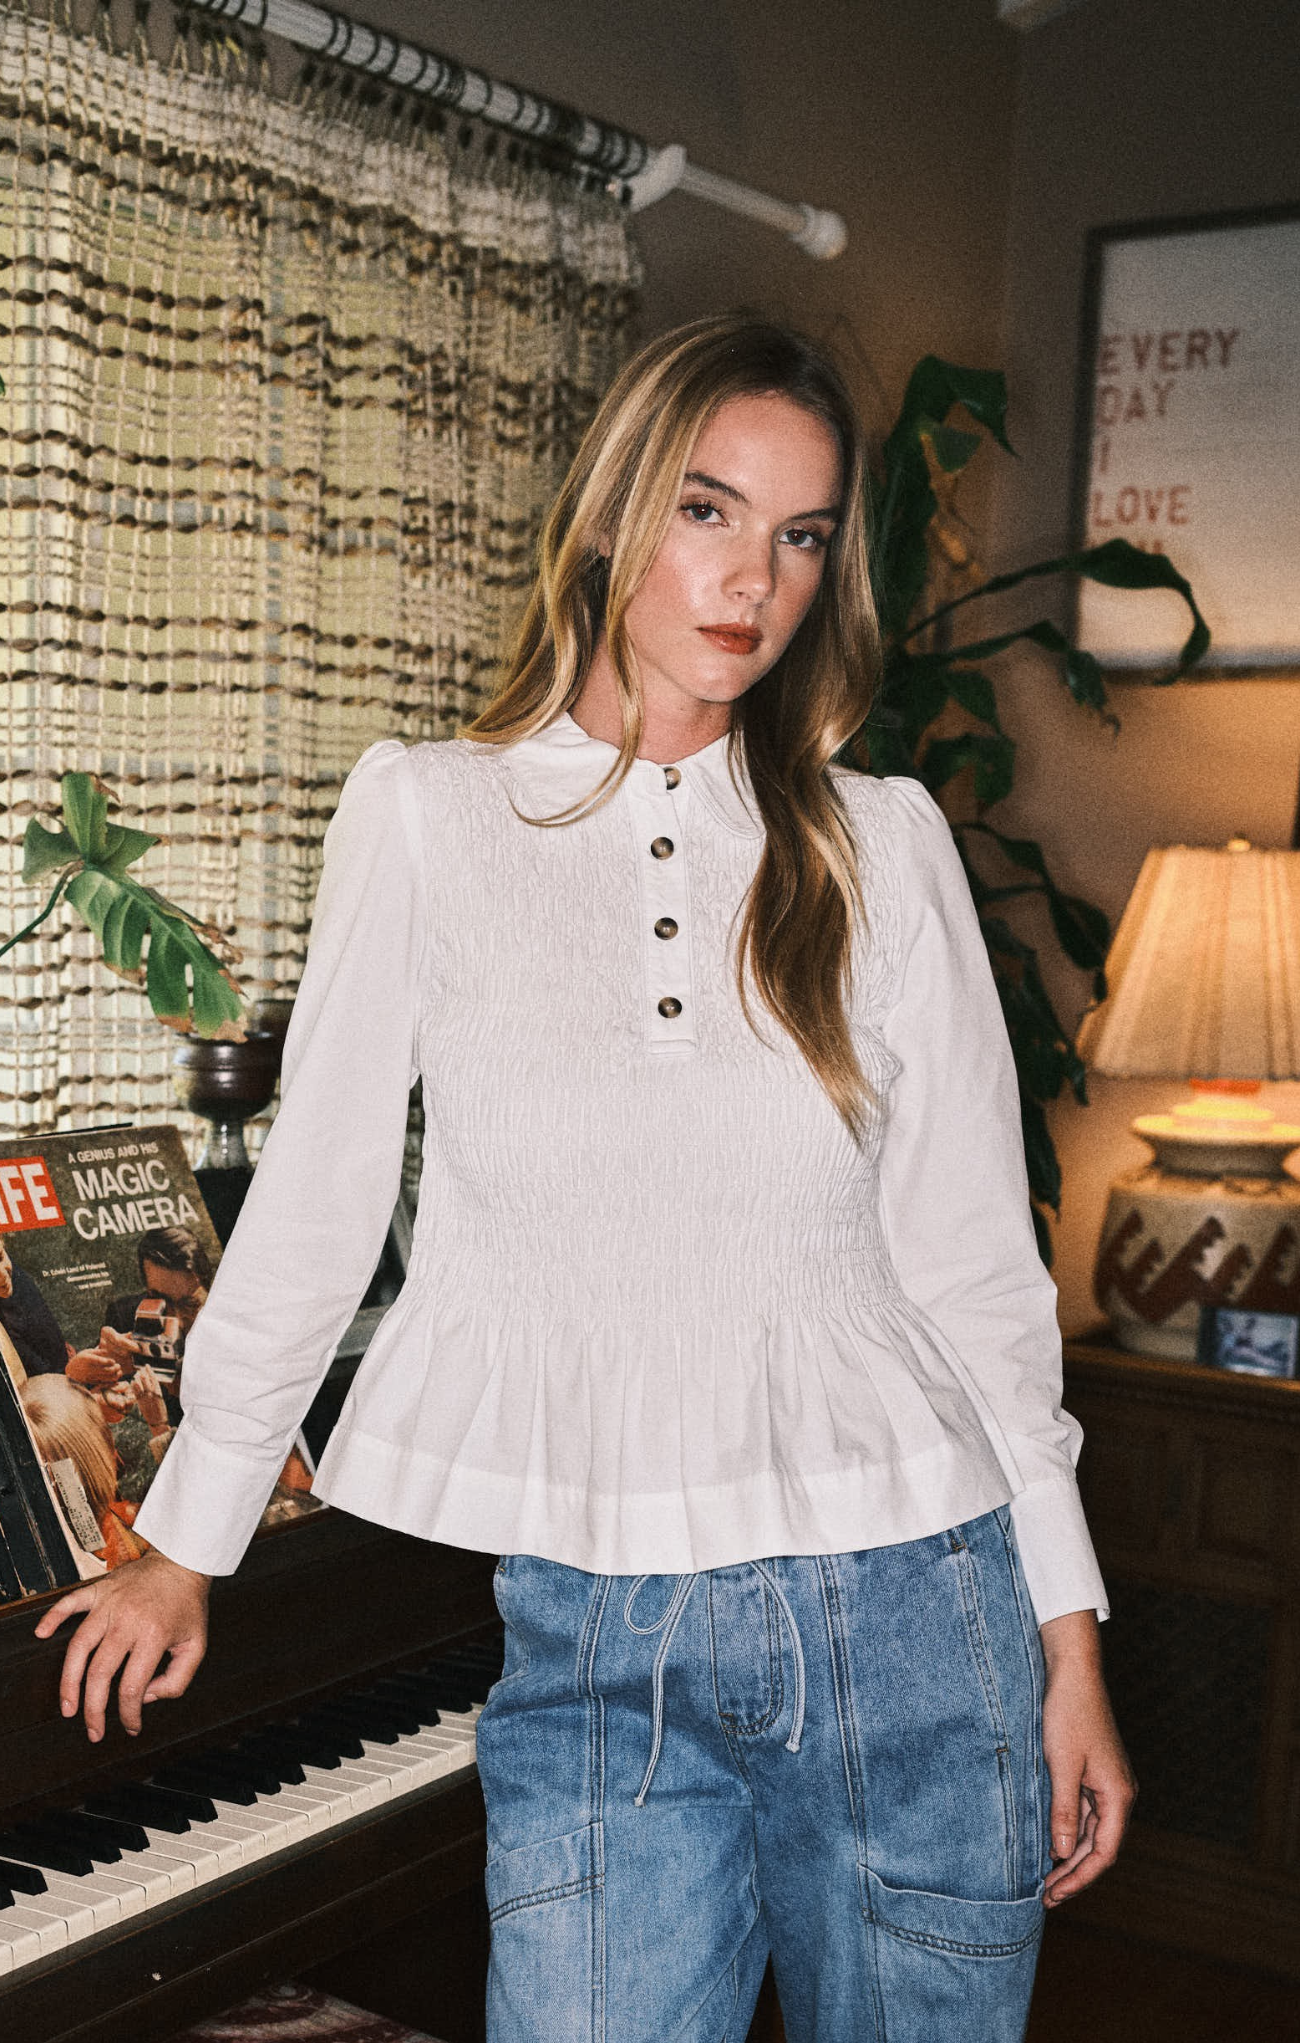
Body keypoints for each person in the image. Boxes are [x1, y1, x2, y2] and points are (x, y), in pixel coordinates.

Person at [38, 315, 1135, 2043]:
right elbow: (319, 1190)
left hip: (924, 1615)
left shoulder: (887, 844)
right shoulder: (429, 813)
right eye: (710, 510)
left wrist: (1070, 1640)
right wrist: (187, 1536)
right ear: (618, 513)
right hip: (600, 1635)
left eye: (799, 534)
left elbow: (976, 1282)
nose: (751, 580)